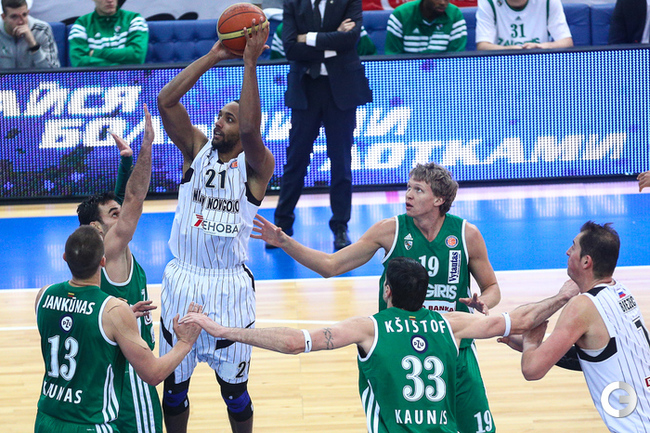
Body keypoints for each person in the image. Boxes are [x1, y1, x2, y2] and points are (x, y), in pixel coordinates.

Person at [180, 256, 578, 432]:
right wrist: (563, 296)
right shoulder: (451, 324)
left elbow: (295, 342)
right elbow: (521, 320)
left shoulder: (369, 328)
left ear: (387, 291)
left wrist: (226, 331)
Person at [254, 162, 501, 433]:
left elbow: (492, 287)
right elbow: (330, 266)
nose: (408, 195)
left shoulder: (466, 235)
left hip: (454, 347)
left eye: (418, 190)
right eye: (408, 187)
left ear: (439, 199)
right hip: (399, 350)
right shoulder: (390, 230)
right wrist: (285, 242)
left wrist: (484, 301)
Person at [156, 21, 274, 433]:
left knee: (235, 393)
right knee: (173, 389)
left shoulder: (258, 167)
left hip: (229, 286)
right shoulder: (196, 149)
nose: (219, 123)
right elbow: (166, 101)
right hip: (183, 278)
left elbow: (251, 129)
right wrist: (214, 56)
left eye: (229, 118)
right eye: (220, 116)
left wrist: (249, 63)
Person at [34, 225, 202, 432]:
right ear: (103, 261)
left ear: (64, 258)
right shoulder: (112, 310)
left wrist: (114, 322)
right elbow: (153, 374)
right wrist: (185, 342)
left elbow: (71, 322)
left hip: (46, 420)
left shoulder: (44, 296)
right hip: (90, 424)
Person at [502, 221, 650, 430]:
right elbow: (595, 358)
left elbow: (532, 370)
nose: (567, 251)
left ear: (586, 261)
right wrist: (540, 349)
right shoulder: (622, 292)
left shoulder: (582, 306)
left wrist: (531, 343)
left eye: (573, 247)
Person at [76, 105, 164, 433]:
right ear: (97, 229)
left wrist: (125, 163)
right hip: (131, 376)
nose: (123, 215)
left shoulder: (97, 251)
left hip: (109, 373)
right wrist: (145, 148)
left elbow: (122, 206)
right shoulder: (109, 253)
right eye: (114, 215)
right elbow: (133, 203)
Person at [273, 0, 373, 251]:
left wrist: (308, 38)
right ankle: (282, 225)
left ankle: (340, 227)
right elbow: (290, 48)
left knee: (341, 162)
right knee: (295, 160)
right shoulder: (293, 3)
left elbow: (350, 40)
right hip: (305, 90)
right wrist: (332, 43)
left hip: (341, 91)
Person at [68, 0, 148, 67]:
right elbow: (78, 62)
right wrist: (121, 67)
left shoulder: (134, 19)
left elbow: (137, 55)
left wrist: (96, 53)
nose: (110, 1)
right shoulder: (82, 23)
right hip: (95, 80)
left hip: (130, 80)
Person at [475, 0, 573, 50]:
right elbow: (482, 46)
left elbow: (566, 42)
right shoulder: (488, 2)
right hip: (502, 65)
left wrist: (542, 47)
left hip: (539, 62)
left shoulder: (548, 1)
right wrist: (507, 50)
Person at [384, 0, 467, 54]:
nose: (443, 3)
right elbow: (393, 56)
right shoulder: (400, 15)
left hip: (443, 72)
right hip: (408, 72)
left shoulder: (455, 15)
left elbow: (456, 58)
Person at [271, 20, 377, 59]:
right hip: (300, 90)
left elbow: (371, 63)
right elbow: (277, 73)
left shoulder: (350, 25)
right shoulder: (284, 30)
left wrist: (307, 38)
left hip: (345, 88)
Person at [0, 0, 59, 69]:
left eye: (24, 15)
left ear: (28, 12)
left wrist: (33, 45)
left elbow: (53, 70)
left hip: (35, 76)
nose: (20, 22)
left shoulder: (42, 30)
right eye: (14, 17)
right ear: (3, 17)